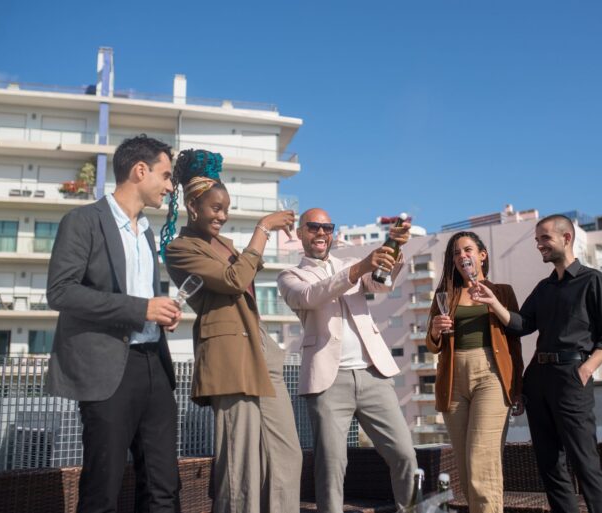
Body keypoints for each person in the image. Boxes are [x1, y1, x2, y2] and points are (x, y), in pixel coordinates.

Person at [46, 135, 181, 513]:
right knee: (102, 489)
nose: (171, 187)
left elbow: (142, 298)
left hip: (155, 365)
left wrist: (160, 313)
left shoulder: (148, 232)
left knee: (164, 487)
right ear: (141, 171)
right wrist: (141, 309)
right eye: (167, 176)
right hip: (107, 370)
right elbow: (61, 293)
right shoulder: (82, 220)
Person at [161, 149, 301, 513]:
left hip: (262, 349)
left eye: (225, 208)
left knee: (288, 455)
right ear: (193, 206)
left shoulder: (224, 245)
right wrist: (263, 228)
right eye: (216, 208)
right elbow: (234, 280)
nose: (222, 216)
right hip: (228, 358)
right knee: (240, 466)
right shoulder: (179, 249)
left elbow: (246, 274)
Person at [277, 208, 418, 513]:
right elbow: (312, 296)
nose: (321, 233)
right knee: (331, 466)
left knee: (405, 454)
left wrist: (395, 247)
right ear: (300, 233)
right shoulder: (290, 276)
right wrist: (359, 268)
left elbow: (381, 282)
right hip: (329, 380)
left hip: (372, 374)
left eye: (327, 227)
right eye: (313, 227)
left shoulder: (349, 264)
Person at [476, 214, 602, 513]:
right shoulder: (544, 287)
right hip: (538, 379)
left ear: (566, 238)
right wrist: (493, 303)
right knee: (550, 464)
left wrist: (586, 369)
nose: (539, 245)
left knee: (585, 463)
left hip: (572, 377)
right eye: (537, 239)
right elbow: (521, 324)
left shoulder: (593, 281)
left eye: (545, 238)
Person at [425, 231, 524, 513]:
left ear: (482, 255)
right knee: (466, 465)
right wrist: (434, 330)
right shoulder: (445, 294)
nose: (462, 256)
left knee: (482, 458)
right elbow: (432, 346)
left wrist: (518, 388)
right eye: (456, 253)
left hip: (491, 375)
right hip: (453, 377)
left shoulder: (502, 291)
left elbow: (514, 343)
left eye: (467, 250)